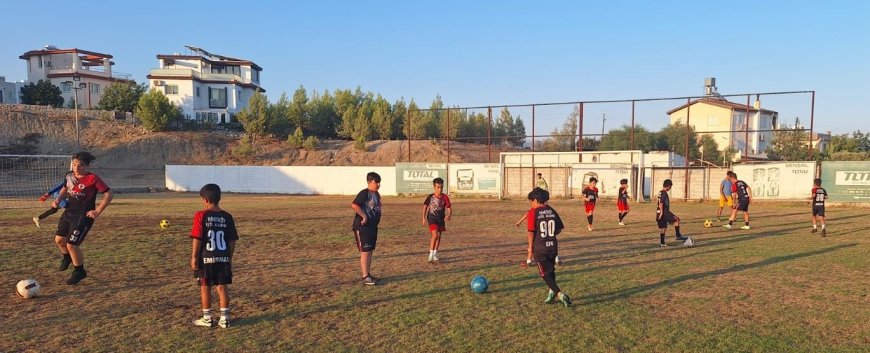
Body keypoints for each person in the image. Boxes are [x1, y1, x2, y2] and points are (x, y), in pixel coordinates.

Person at [51, 151, 112, 285]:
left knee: (72, 244)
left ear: (87, 166)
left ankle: (79, 271)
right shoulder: (69, 176)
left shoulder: (93, 178)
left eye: (80, 165)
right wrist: (58, 200)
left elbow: (108, 194)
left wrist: (97, 211)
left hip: (83, 216)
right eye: (74, 165)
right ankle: (67, 257)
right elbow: (64, 188)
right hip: (69, 212)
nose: (77, 168)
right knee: (59, 240)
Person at [190, 184, 238, 329]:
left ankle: (207, 318)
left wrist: (194, 257)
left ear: (205, 199)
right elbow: (232, 240)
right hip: (223, 257)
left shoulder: (201, 215)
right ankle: (225, 319)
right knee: (222, 287)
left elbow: (197, 237)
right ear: (219, 198)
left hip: (206, 257)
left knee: (205, 287)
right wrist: (229, 258)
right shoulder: (227, 216)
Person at [525, 187, 571, 307]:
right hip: (552, 246)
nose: (531, 204)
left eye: (531, 202)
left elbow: (530, 231)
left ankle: (559, 294)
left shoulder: (533, 212)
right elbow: (559, 228)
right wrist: (550, 235)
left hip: (540, 248)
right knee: (550, 270)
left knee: (544, 274)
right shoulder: (551, 210)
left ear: (535, 200)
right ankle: (551, 293)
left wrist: (530, 249)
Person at [351, 172, 382, 285]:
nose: (378, 184)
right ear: (369, 182)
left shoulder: (377, 194)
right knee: (365, 251)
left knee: (370, 251)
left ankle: (368, 274)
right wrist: (364, 215)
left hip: (373, 227)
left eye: (379, 182)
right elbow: (354, 205)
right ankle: (365, 276)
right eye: (376, 182)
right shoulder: (364, 193)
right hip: (363, 227)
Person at [516, 194, 562, 266]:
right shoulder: (551, 210)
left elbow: (530, 228)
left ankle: (529, 261)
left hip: (539, 236)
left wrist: (519, 222)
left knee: (532, 246)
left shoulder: (535, 210)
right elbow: (559, 228)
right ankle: (556, 260)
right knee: (552, 247)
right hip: (550, 236)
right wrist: (519, 221)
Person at [422, 177, 452, 262]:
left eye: (441, 187)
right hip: (432, 218)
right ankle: (431, 254)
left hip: (440, 219)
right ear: (434, 187)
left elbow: (449, 208)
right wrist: (423, 218)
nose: (440, 189)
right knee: (434, 235)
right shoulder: (430, 197)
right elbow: (425, 206)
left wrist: (449, 215)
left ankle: (435, 253)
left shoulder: (445, 197)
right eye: (438, 187)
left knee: (438, 236)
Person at [656, 179, 688, 247]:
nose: (670, 188)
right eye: (670, 186)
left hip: (658, 212)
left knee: (663, 227)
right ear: (668, 186)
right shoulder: (664, 193)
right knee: (676, 219)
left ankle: (662, 243)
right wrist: (662, 212)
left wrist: (660, 213)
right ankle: (678, 235)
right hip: (664, 212)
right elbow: (661, 203)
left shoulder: (660, 192)